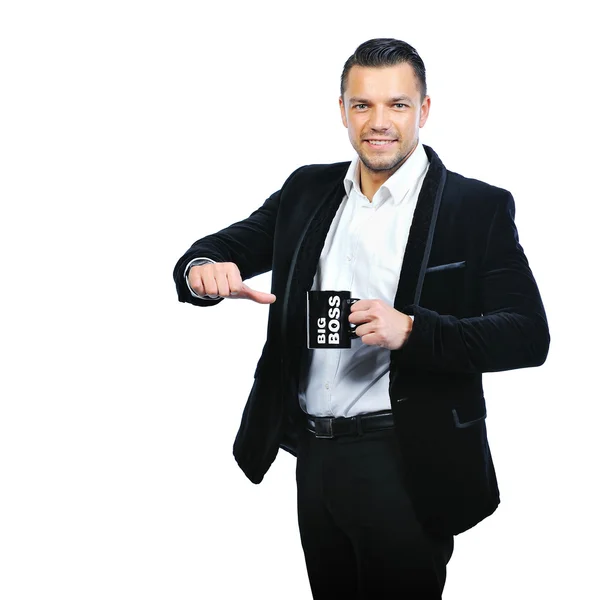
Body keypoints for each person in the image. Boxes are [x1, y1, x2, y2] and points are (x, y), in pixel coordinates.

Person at [173, 38, 550, 599]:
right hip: (315, 456)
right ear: (343, 110)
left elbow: (527, 335)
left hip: (407, 460)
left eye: (397, 104)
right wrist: (205, 269)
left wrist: (415, 330)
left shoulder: (475, 208)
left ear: (423, 110)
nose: (379, 122)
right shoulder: (309, 187)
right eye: (362, 105)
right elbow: (221, 249)